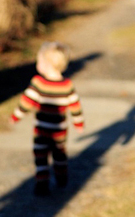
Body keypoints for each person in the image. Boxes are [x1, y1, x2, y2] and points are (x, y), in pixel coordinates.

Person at [11, 42, 84, 196]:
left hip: (41, 131)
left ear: (46, 64)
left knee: (41, 156)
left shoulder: (39, 83)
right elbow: (75, 106)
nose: (37, 64)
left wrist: (15, 117)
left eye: (39, 61)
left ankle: (42, 184)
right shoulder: (67, 85)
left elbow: (26, 102)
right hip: (60, 131)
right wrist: (79, 123)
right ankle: (60, 176)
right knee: (59, 154)